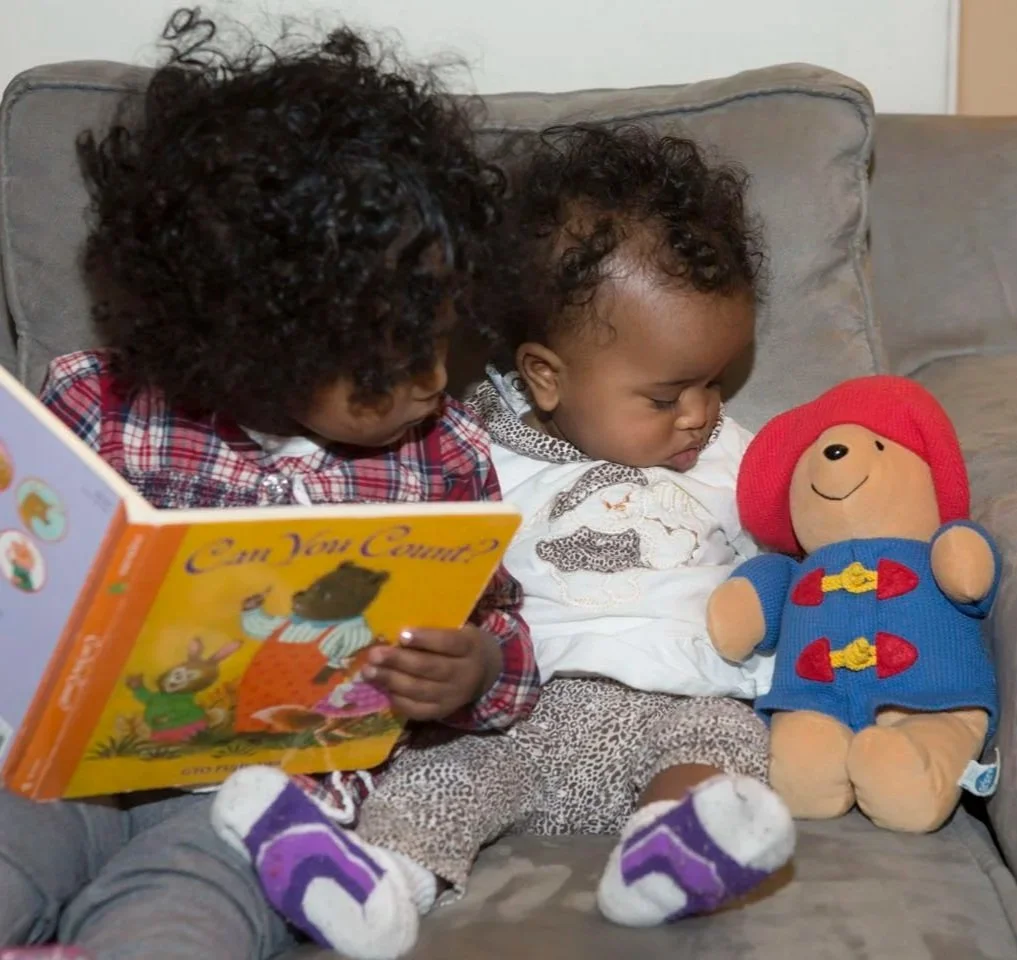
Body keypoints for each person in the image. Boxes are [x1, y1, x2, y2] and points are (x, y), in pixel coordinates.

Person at [0, 9, 537, 959]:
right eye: (385, 361)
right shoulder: (97, 403)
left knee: (178, 924)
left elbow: (504, 635)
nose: (426, 380)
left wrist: (476, 669)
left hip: (256, 808)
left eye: (440, 340)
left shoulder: (442, 456)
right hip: (46, 772)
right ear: (254, 340)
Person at [211, 124, 795, 960]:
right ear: (546, 375)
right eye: (666, 394)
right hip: (520, 716)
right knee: (436, 781)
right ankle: (378, 884)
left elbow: (819, 534)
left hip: (680, 700)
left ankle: (669, 852)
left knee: (727, 744)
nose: (700, 412)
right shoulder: (471, 448)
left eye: (713, 381)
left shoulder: (740, 454)